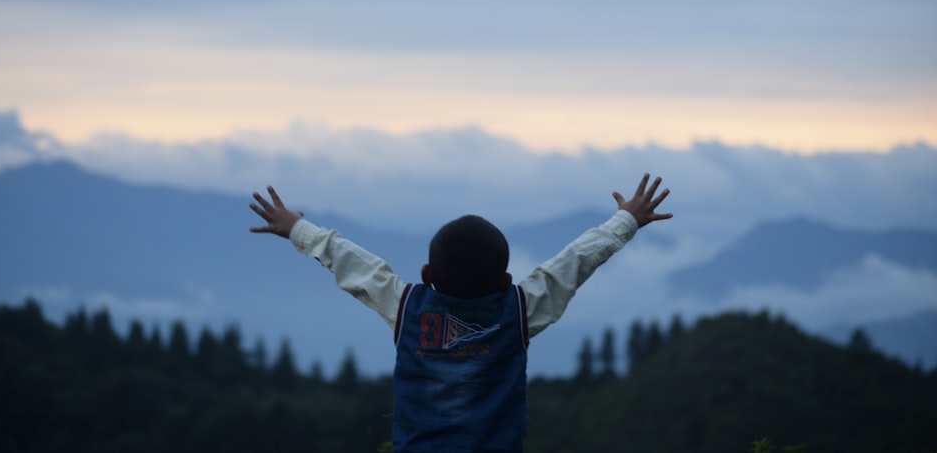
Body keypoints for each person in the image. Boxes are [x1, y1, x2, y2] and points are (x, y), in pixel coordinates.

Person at [249, 173, 672, 453]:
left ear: (427, 273)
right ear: (506, 281)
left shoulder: (408, 308)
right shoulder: (519, 311)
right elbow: (575, 261)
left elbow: (352, 263)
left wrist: (296, 228)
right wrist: (626, 220)